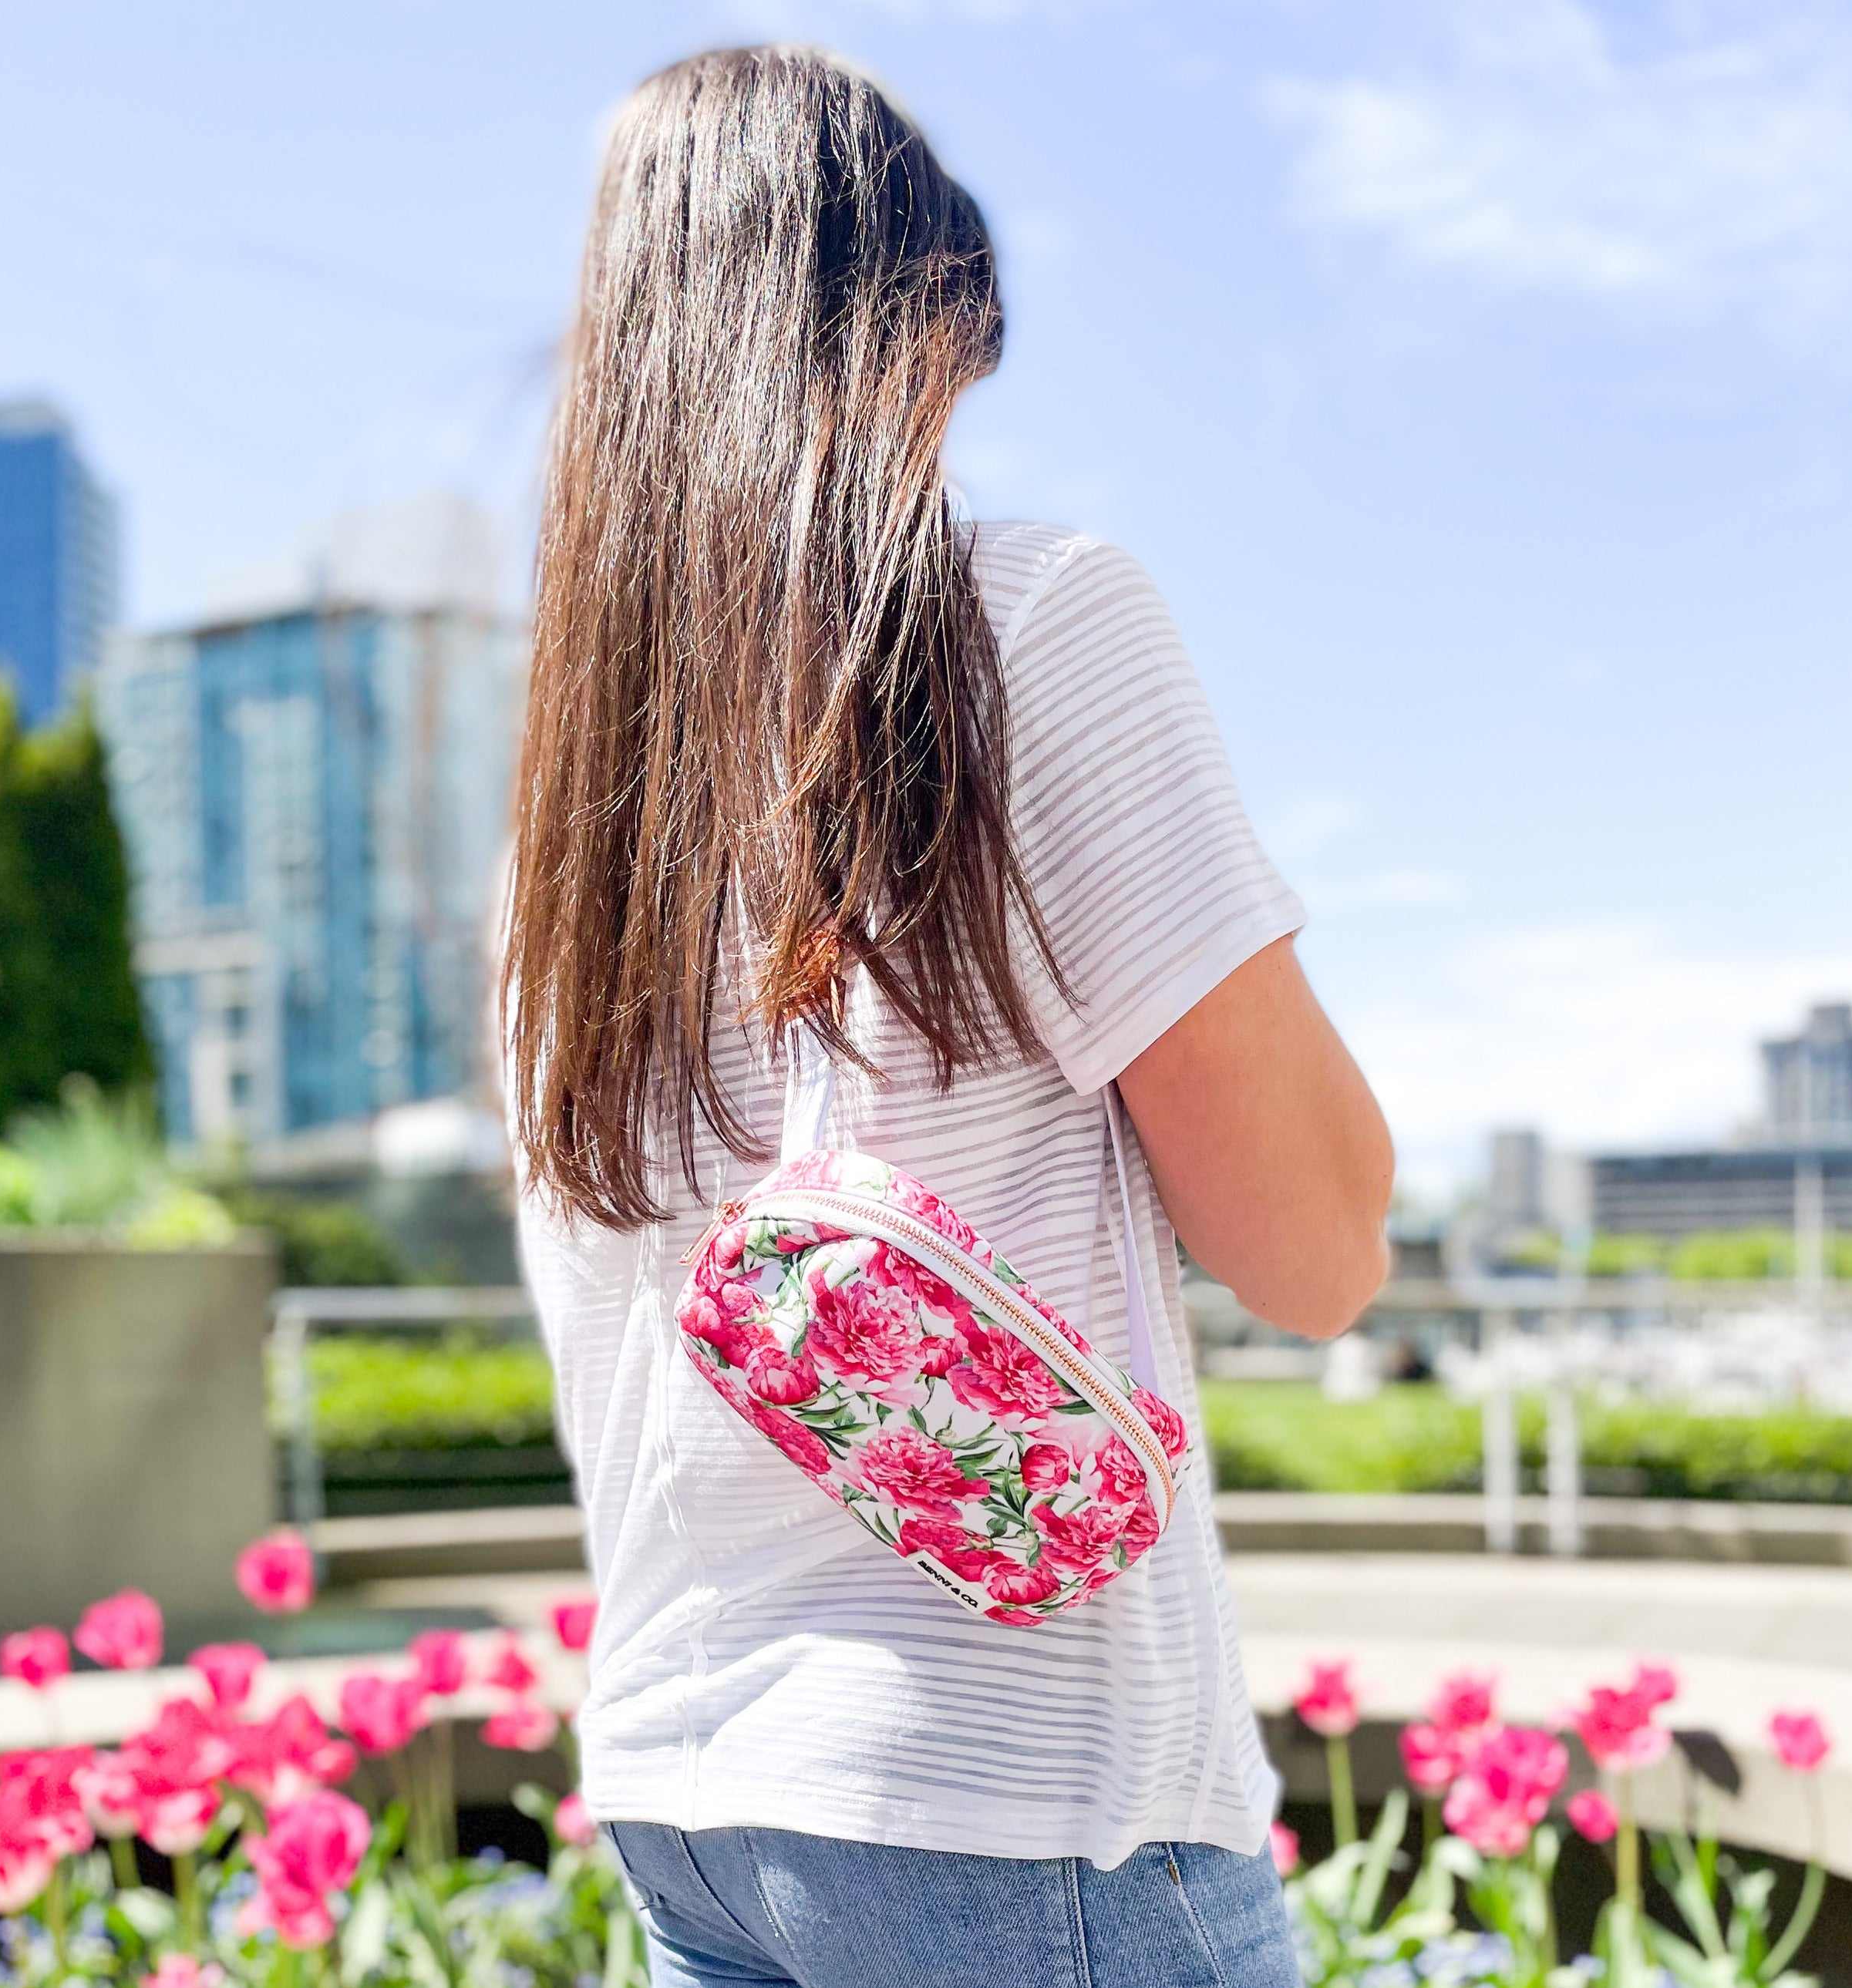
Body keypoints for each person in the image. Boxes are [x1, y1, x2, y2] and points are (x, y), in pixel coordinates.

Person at [501, 45, 1392, 1988]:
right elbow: (1320, 1252)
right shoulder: (1031, 620)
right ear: (913, 333)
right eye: (942, 388)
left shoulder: (569, 819)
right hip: (1010, 1806)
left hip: (683, 1797)